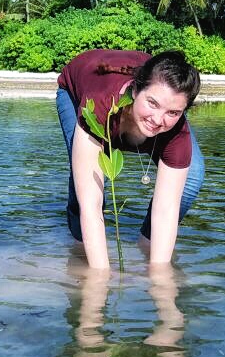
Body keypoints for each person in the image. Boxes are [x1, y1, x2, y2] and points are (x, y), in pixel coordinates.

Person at [56, 49, 204, 268]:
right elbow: (91, 204)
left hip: (138, 81)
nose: (157, 119)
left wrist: (159, 279)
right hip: (77, 90)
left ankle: (147, 245)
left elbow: (167, 209)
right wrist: (100, 280)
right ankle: (80, 250)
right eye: (152, 103)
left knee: (192, 176)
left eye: (173, 112)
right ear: (135, 91)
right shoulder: (99, 105)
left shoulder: (175, 128)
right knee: (90, 184)